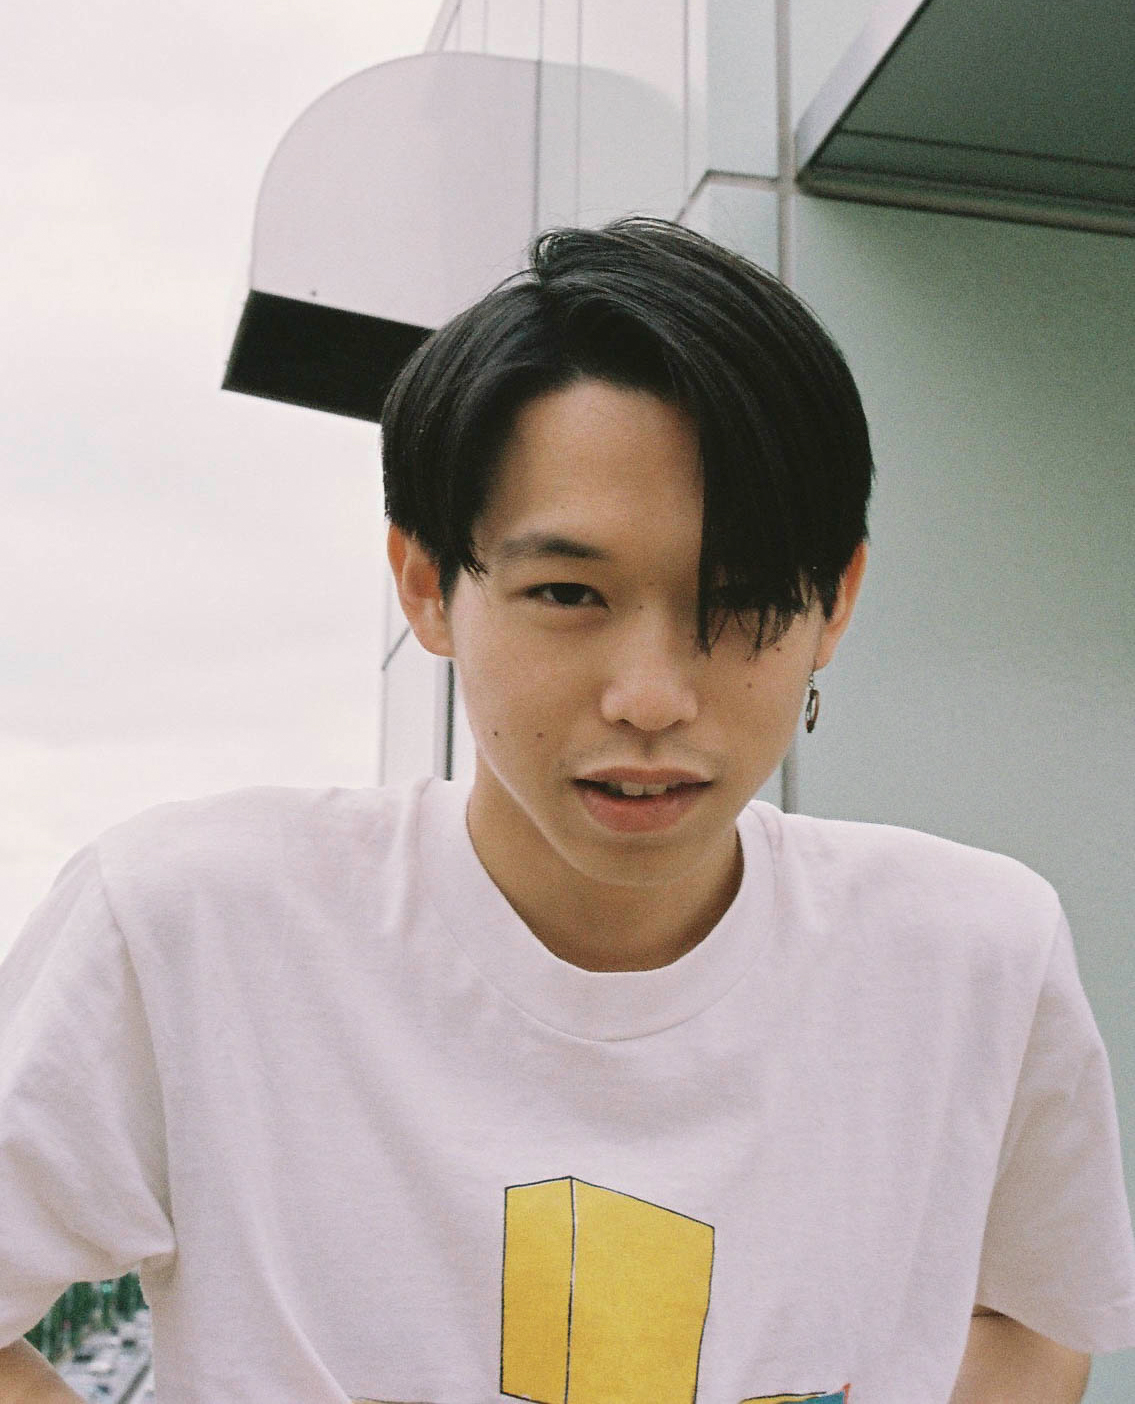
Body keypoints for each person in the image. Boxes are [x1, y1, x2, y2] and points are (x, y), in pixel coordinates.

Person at [1, 218, 1133, 1404]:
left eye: (740, 597)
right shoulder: (194, 925)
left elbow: (1037, 1311)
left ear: (834, 602)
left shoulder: (971, 953)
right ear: (428, 584)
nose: (650, 696)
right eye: (567, 592)